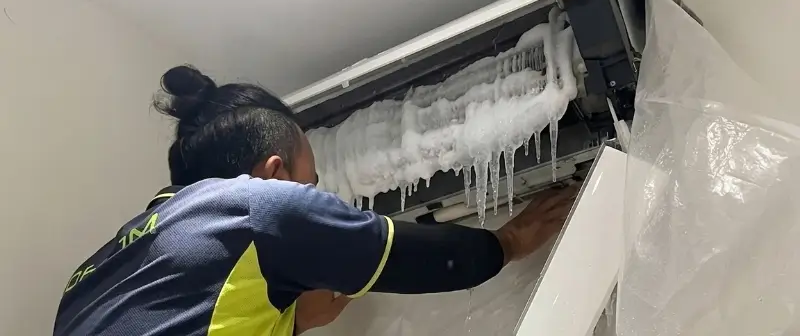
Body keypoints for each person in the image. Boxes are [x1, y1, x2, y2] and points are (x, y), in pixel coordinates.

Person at [53, 65, 580, 335]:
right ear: (274, 174)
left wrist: (294, 320)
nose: (313, 198)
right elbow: (433, 261)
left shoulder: (91, 278)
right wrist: (510, 240)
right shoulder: (254, 209)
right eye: (312, 184)